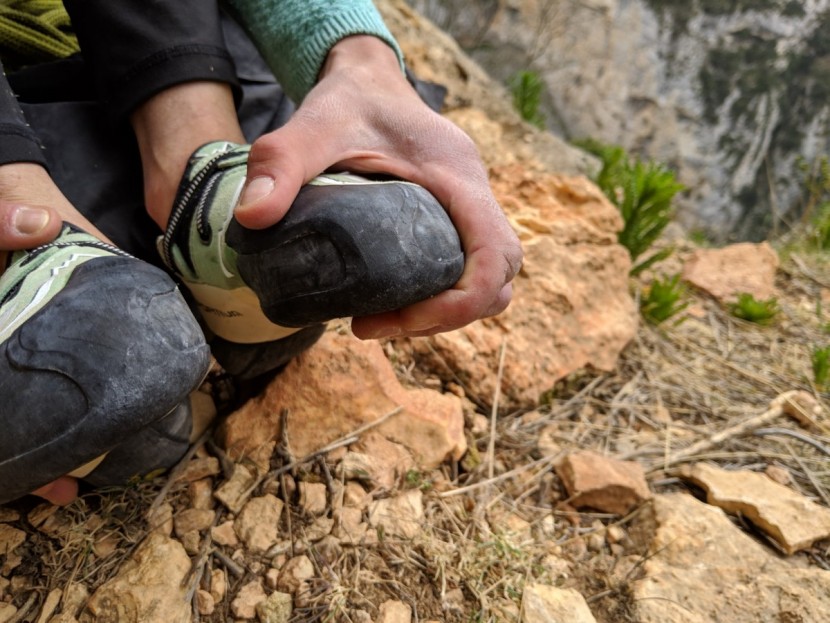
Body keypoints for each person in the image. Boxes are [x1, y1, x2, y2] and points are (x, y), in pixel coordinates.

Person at [0, 0, 522, 506]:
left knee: (107, 329)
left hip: (146, 57)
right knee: (109, 335)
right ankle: (37, 214)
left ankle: (197, 174)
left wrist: (361, 56)